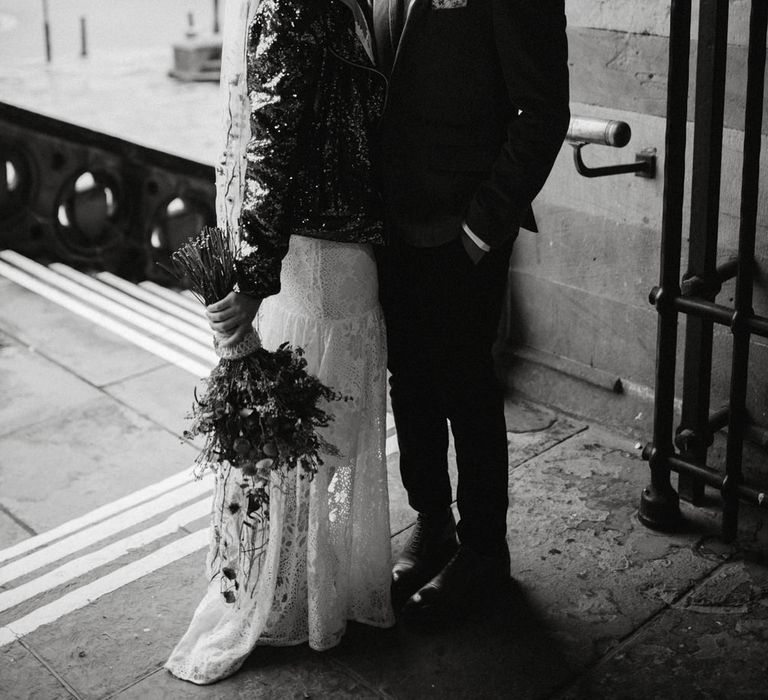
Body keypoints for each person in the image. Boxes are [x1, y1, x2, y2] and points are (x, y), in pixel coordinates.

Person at [165, 0, 394, 684]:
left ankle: (279, 603)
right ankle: (326, 598)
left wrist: (256, 276)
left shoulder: (285, 2)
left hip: (307, 258)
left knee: (291, 444)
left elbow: (270, 136)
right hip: (349, 248)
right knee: (325, 437)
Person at [373, 0, 570, 618]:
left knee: (467, 385)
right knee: (407, 377)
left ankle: (485, 550)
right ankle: (432, 522)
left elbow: (542, 110)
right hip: (387, 218)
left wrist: (481, 228)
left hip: (464, 226)